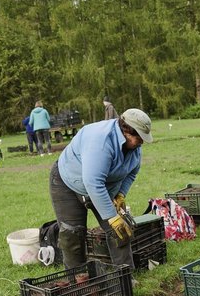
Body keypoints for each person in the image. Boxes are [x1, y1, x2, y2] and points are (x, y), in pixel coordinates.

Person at [49, 109, 153, 271]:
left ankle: (125, 275)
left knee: (121, 230)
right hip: (68, 182)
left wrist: (121, 194)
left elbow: (132, 172)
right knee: (72, 235)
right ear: (126, 130)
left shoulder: (134, 147)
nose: (141, 143)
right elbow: (93, 182)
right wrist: (111, 216)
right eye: (138, 138)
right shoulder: (100, 141)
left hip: (103, 187)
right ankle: (78, 279)